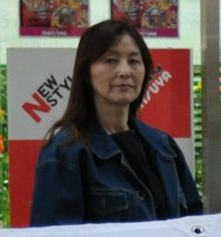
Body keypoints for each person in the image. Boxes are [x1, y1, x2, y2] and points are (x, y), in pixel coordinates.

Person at [27, 19, 202, 225]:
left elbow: (195, 227)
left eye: (134, 61)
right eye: (111, 60)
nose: (124, 71)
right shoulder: (65, 152)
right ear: (86, 73)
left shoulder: (164, 146)